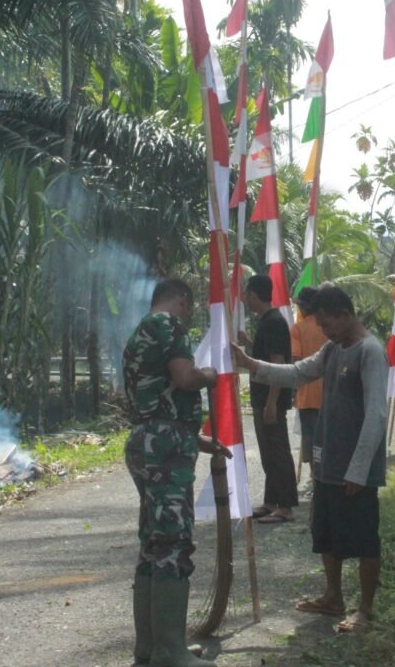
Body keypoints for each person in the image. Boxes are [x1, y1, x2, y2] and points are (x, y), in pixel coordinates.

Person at [231, 285, 388, 634]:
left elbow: (376, 415)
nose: (323, 331)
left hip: (355, 470)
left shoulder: (370, 352)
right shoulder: (333, 349)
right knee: (326, 533)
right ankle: (333, 597)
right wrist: (251, 365)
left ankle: (365, 608)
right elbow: (298, 372)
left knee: (364, 537)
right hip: (329, 464)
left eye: (326, 323)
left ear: (345, 315)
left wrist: (359, 469)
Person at [122, 278, 230, 667]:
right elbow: (184, 378)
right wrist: (209, 376)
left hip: (149, 441)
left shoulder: (139, 334)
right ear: (181, 301)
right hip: (165, 448)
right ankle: (170, 652)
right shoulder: (168, 325)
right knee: (171, 542)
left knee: (154, 543)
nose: (188, 314)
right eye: (189, 306)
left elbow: (155, 400)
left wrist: (196, 439)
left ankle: (151, 649)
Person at [243, 274, 298, 523]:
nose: (245, 300)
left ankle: (285, 506)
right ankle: (271, 500)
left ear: (254, 295)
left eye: (247, 295)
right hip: (262, 397)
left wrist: (271, 403)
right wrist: (248, 344)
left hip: (270, 398)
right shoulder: (267, 322)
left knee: (277, 450)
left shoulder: (274, 322)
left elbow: (277, 363)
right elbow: (265, 355)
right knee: (268, 450)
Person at [290, 286, 326, 478]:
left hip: (307, 396)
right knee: (328, 439)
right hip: (329, 393)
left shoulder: (298, 329)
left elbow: (296, 360)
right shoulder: (328, 326)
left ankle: (315, 476)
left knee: (311, 441)